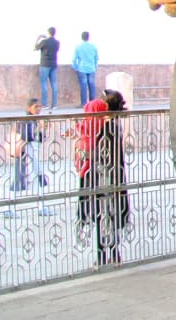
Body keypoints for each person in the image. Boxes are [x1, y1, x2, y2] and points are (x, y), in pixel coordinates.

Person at [70, 91, 130, 266]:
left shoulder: (107, 127)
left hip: (105, 178)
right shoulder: (110, 125)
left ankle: (104, 256)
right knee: (108, 217)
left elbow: (103, 154)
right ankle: (112, 254)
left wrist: (83, 152)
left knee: (104, 216)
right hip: (110, 176)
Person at [6, 98, 53, 218]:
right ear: (29, 108)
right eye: (35, 107)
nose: (38, 109)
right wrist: (39, 128)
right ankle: (10, 209)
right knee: (18, 181)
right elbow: (27, 136)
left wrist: (43, 128)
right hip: (25, 156)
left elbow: (39, 138)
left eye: (39, 107)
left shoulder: (35, 120)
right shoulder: (25, 121)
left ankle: (41, 207)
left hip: (34, 155)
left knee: (38, 180)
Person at [34, 27, 60, 111]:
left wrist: (38, 38)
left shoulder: (44, 41)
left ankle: (44, 104)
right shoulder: (57, 42)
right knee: (54, 84)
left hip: (45, 64)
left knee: (44, 84)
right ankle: (54, 105)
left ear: (48, 33)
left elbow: (35, 48)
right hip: (54, 64)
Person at [72, 31, 99, 107]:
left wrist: (76, 68)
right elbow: (96, 58)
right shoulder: (93, 46)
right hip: (91, 68)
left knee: (83, 86)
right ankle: (92, 104)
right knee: (91, 85)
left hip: (82, 68)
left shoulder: (78, 47)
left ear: (82, 37)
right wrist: (94, 66)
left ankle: (83, 103)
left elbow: (74, 60)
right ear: (88, 37)